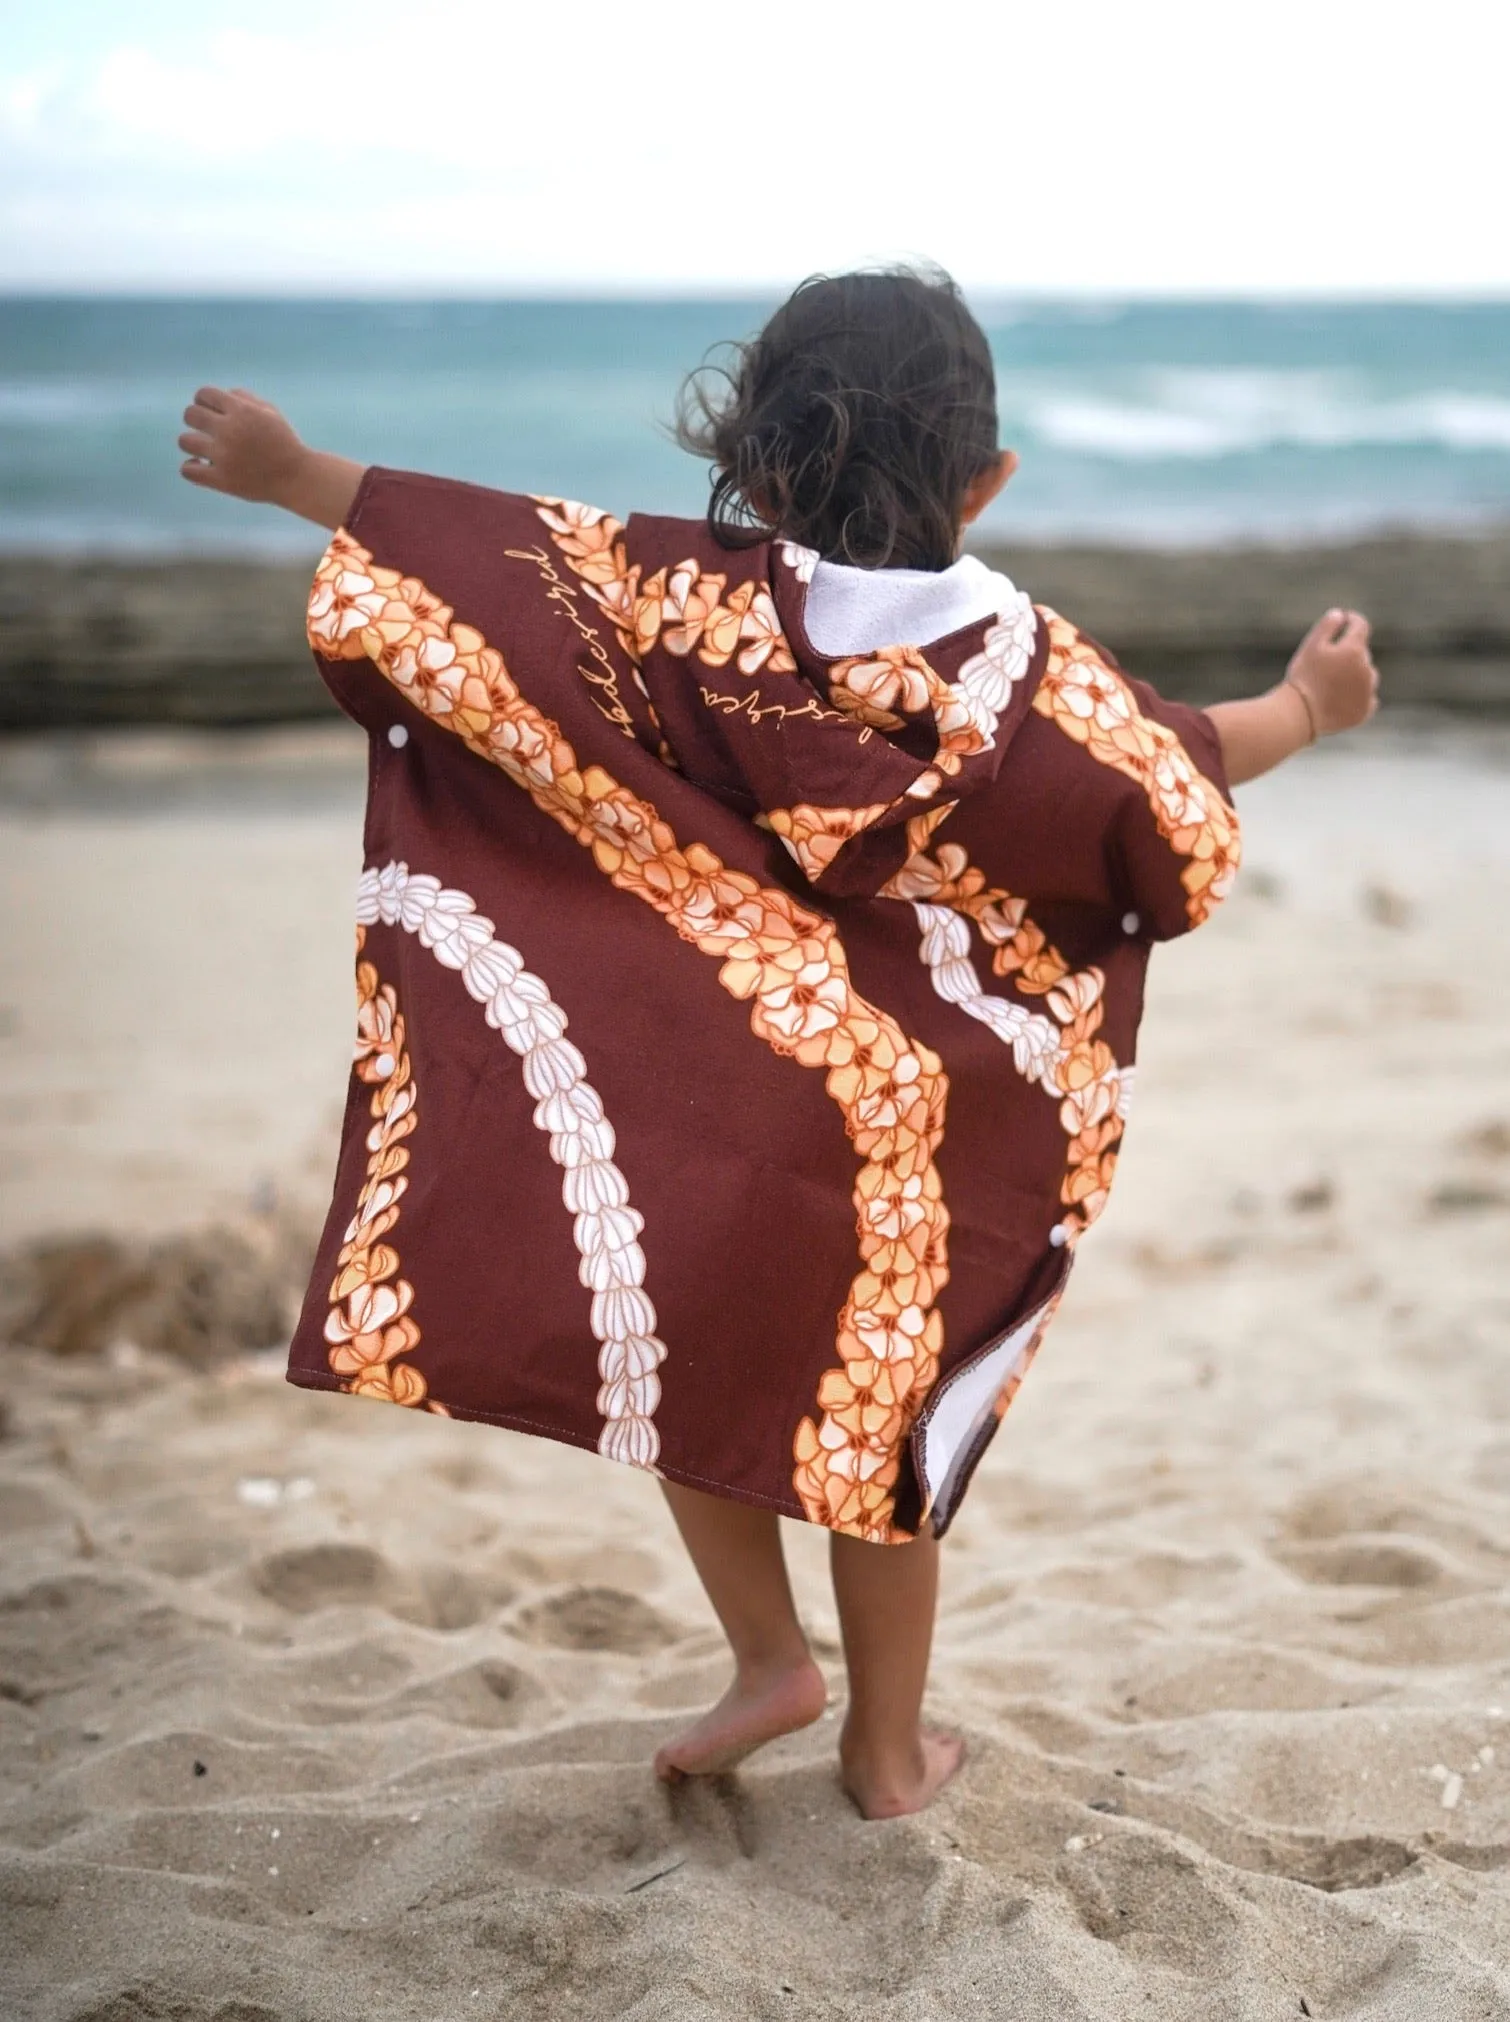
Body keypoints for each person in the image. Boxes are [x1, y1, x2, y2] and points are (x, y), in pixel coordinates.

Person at [177, 269, 1378, 1819]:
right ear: (988, 478)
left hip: (733, 1098)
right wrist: (1305, 698)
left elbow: (500, 573)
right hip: (932, 1134)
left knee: (699, 1365)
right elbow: (1172, 784)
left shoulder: (692, 601)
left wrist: (295, 478)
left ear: (749, 464)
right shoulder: (1035, 680)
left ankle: (766, 1658)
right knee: (886, 1427)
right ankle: (884, 1752)